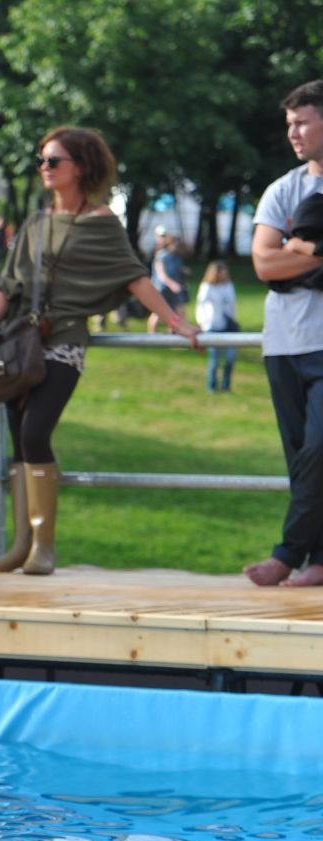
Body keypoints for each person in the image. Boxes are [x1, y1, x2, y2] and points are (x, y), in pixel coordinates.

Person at [0, 127, 198, 576]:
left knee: (35, 433)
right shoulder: (34, 223)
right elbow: (7, 287)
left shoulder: (102, 222)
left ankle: (44, 548)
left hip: (64, 341)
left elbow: (135, 277)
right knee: (18, 437)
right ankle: (20, 545)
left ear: (81, 167)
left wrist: (176, 321)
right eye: (43, 161)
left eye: (55, 161)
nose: (45, 168)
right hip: (18, 340)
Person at [246, 80, 323, 588]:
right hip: (284, 342)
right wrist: (312, 257)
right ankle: (318, 559)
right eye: (289, 124)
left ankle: (288, 551)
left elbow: (281, 260)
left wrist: (294, 253)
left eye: (303, 122)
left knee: (319, 448)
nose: (293, 133)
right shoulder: (284, 189)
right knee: (300, 456)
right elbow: (262, 263)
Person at [197, 260, 239, 393]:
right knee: (214, 360)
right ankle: (212, 387)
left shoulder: (228, 286)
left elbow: (232, 304)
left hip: (227, 325)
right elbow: (201, 306)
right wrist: (203, 323)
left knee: (230, 358)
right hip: (212, 326)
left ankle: (226, 386)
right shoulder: (207, 287)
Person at [148, 231, 188, 334]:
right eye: (174, 244)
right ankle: (151, 336)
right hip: (162, 289)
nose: (176, 246)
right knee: (159, 312)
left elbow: (177, 270)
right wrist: (172, 284)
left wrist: (184, 271)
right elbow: (161, 275)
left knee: (179, 313)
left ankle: (176, 334)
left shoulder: (176, 257)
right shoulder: (162, 256)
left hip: (175, 289)